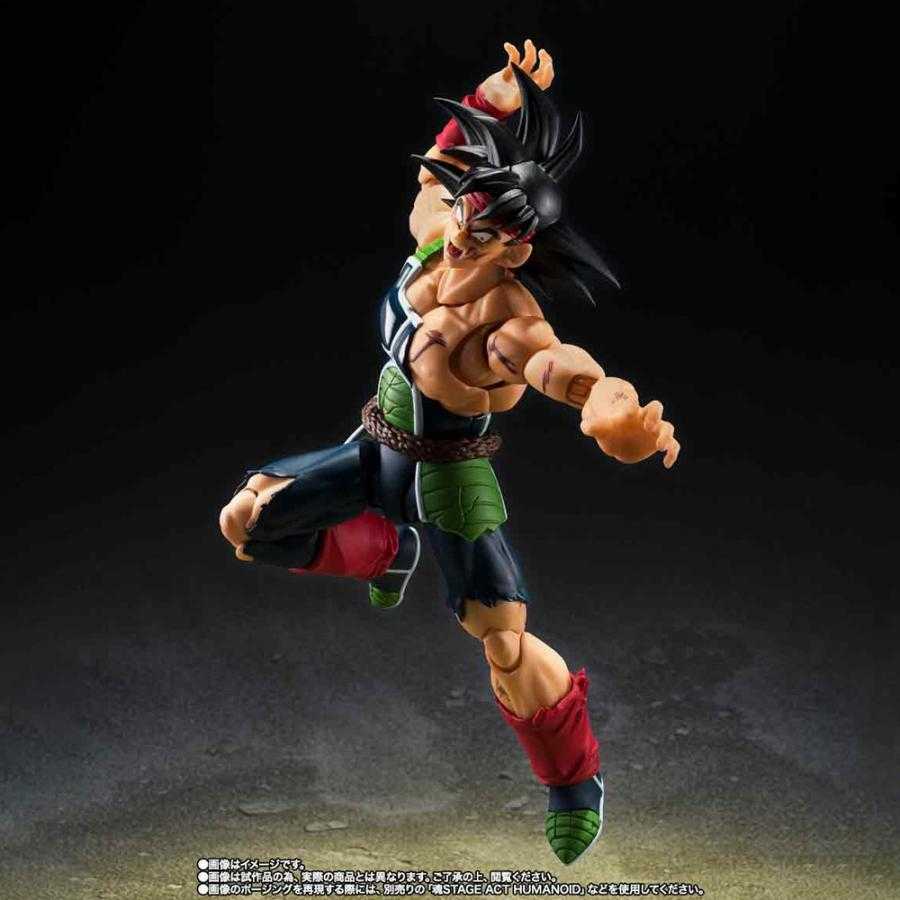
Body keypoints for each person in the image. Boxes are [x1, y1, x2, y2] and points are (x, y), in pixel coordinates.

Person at [219, 40, 680, 865]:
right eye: (469, 212)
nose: (468, 234)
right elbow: (441, 166)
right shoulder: (437, 233)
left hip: (449, 482)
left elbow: (561, 368)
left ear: (517, 249)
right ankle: (383, 551)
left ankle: (574, 782)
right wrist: (496, 96)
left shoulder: (506, 323)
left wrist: (611, 410)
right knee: (247, 522)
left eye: (490, 232)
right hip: (375, 449)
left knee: (502, 642)